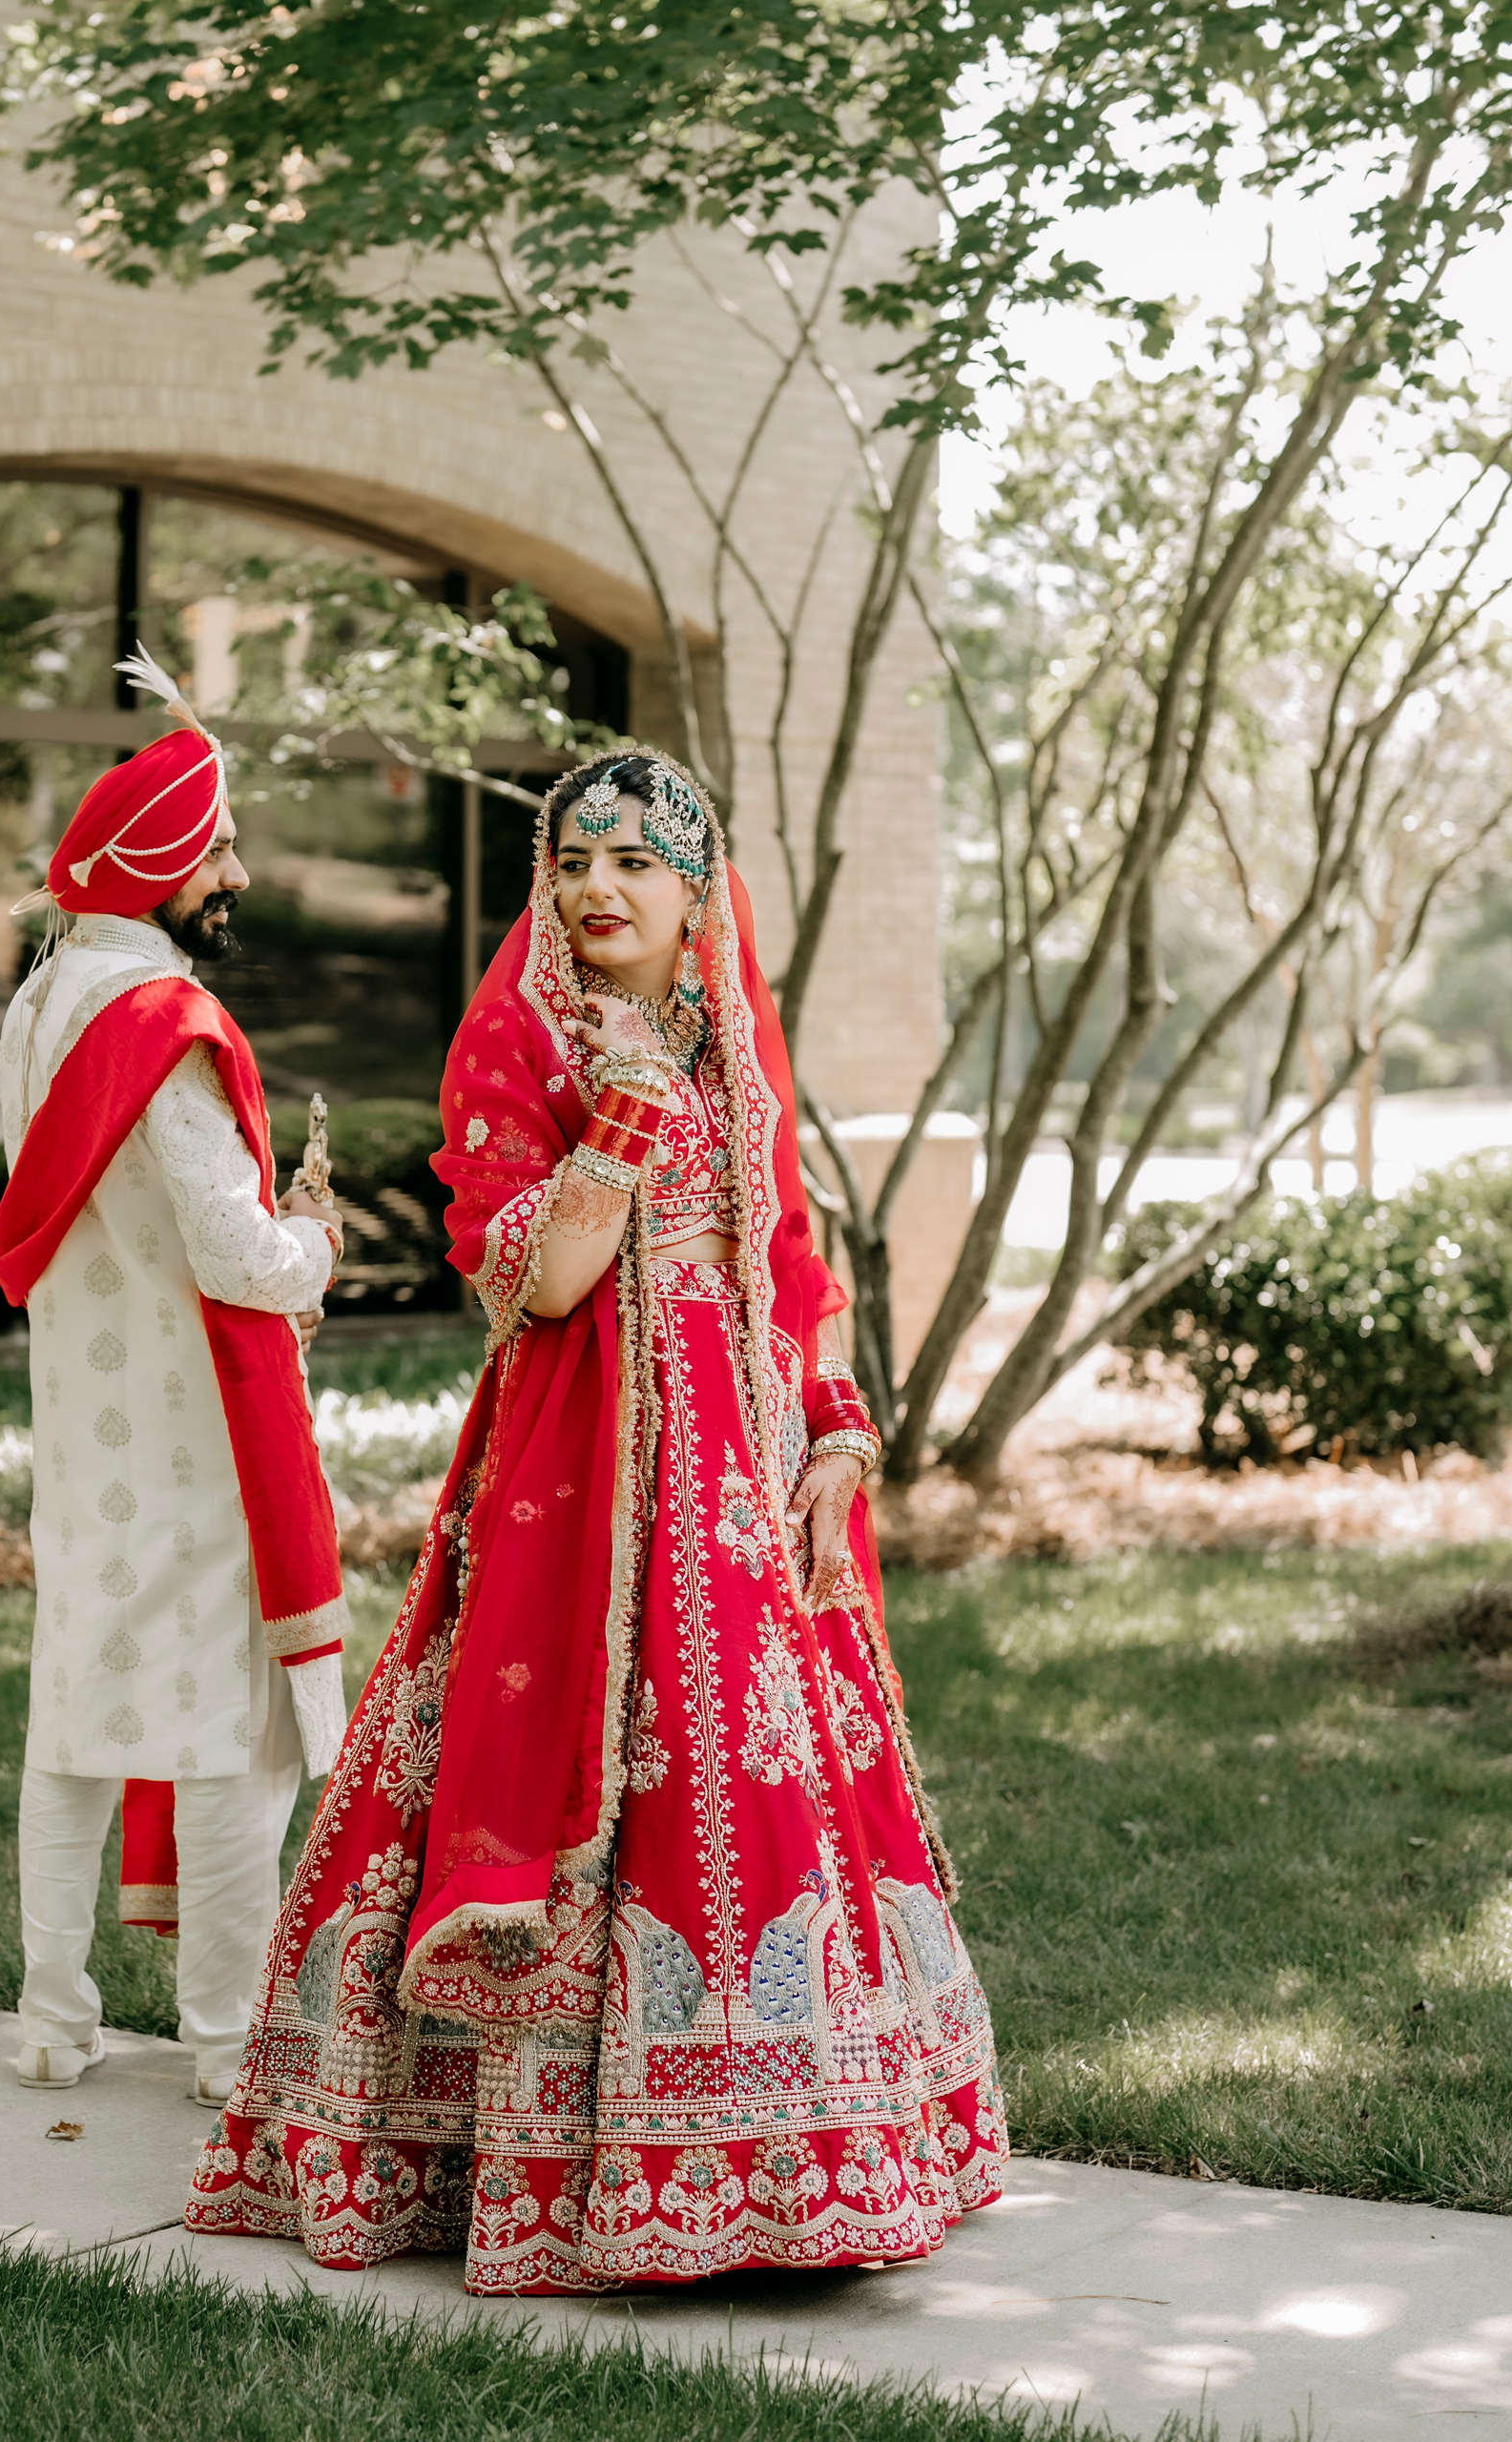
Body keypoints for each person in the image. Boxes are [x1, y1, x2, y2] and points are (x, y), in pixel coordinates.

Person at [183, 750, 1006, 2295]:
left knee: (752, 1766)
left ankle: (799, 2152)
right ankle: (541, 2153)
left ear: (698, 891)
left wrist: (833, 1427)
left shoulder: (724, 1035)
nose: (600, 887)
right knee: (568, 1755)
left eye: (638, 860)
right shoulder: (518, 1039)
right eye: (577, 860)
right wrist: (618, 1124)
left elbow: (788, 1258)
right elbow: (533, 1284)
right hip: (582, 1473)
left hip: (739, 1475)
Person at [0, 648, 348, 2107]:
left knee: (72, 1712)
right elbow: (236, 1258)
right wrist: (313, 1241)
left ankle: (51, 2017)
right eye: (221, 847)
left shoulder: (40, 1004)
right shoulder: (168, 1027)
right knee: (223, 1737)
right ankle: (224, 2042)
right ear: (159, 866)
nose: (237, 869)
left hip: (82, 1413)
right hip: (197, 1424)